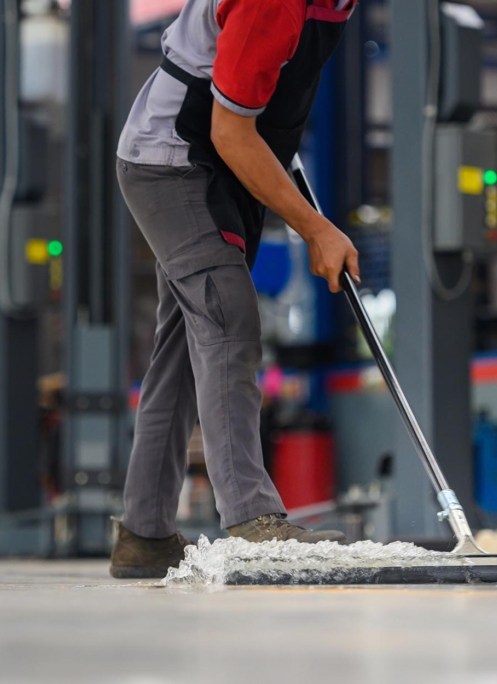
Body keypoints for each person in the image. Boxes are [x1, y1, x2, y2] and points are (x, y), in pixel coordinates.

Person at [111, 0, 361, 578]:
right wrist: (316, 229)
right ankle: (252, 521)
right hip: (174, 159)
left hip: (218, 158)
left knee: (179, 353)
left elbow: (267, 87)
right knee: (226, 314)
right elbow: (229, 127)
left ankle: (144, 538)